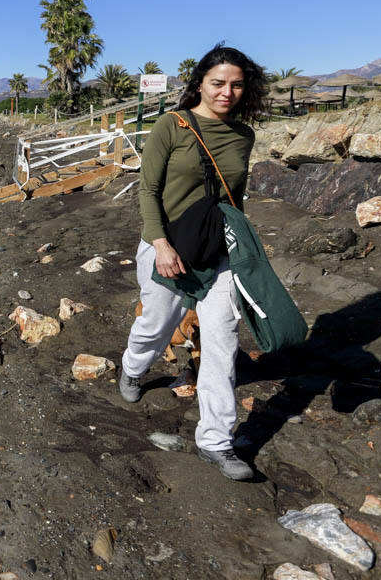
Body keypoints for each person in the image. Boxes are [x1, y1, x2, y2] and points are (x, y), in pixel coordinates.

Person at [118, 43, 269, 481]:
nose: (227, 92)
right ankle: (132, 369)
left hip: (217, 250)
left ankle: (216, 442)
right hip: (166, 245)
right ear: (200, 83)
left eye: (237, 85)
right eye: (218, 83)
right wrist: (161, 245)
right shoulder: (172, 125)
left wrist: (241, 248)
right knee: (158, 323)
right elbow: (147, 191)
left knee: (223, 337)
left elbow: (233, 198)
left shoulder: (243, 136)